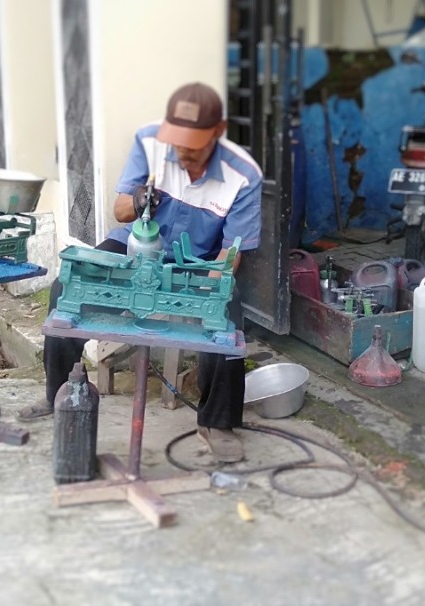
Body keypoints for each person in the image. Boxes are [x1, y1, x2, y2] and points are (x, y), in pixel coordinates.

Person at [18, 82, 263, 464]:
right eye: (178, 144)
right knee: (68, 288)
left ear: (218, 131)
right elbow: (120, 212)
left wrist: (202, 294)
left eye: (193, 146)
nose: (182, 154)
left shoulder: (243, 176)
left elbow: (230, 254)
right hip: (135, 246)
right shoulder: (150, 143)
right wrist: (138, 200)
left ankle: (217, 423)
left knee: (226, 316)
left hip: (195, 261)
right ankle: (60, 394)